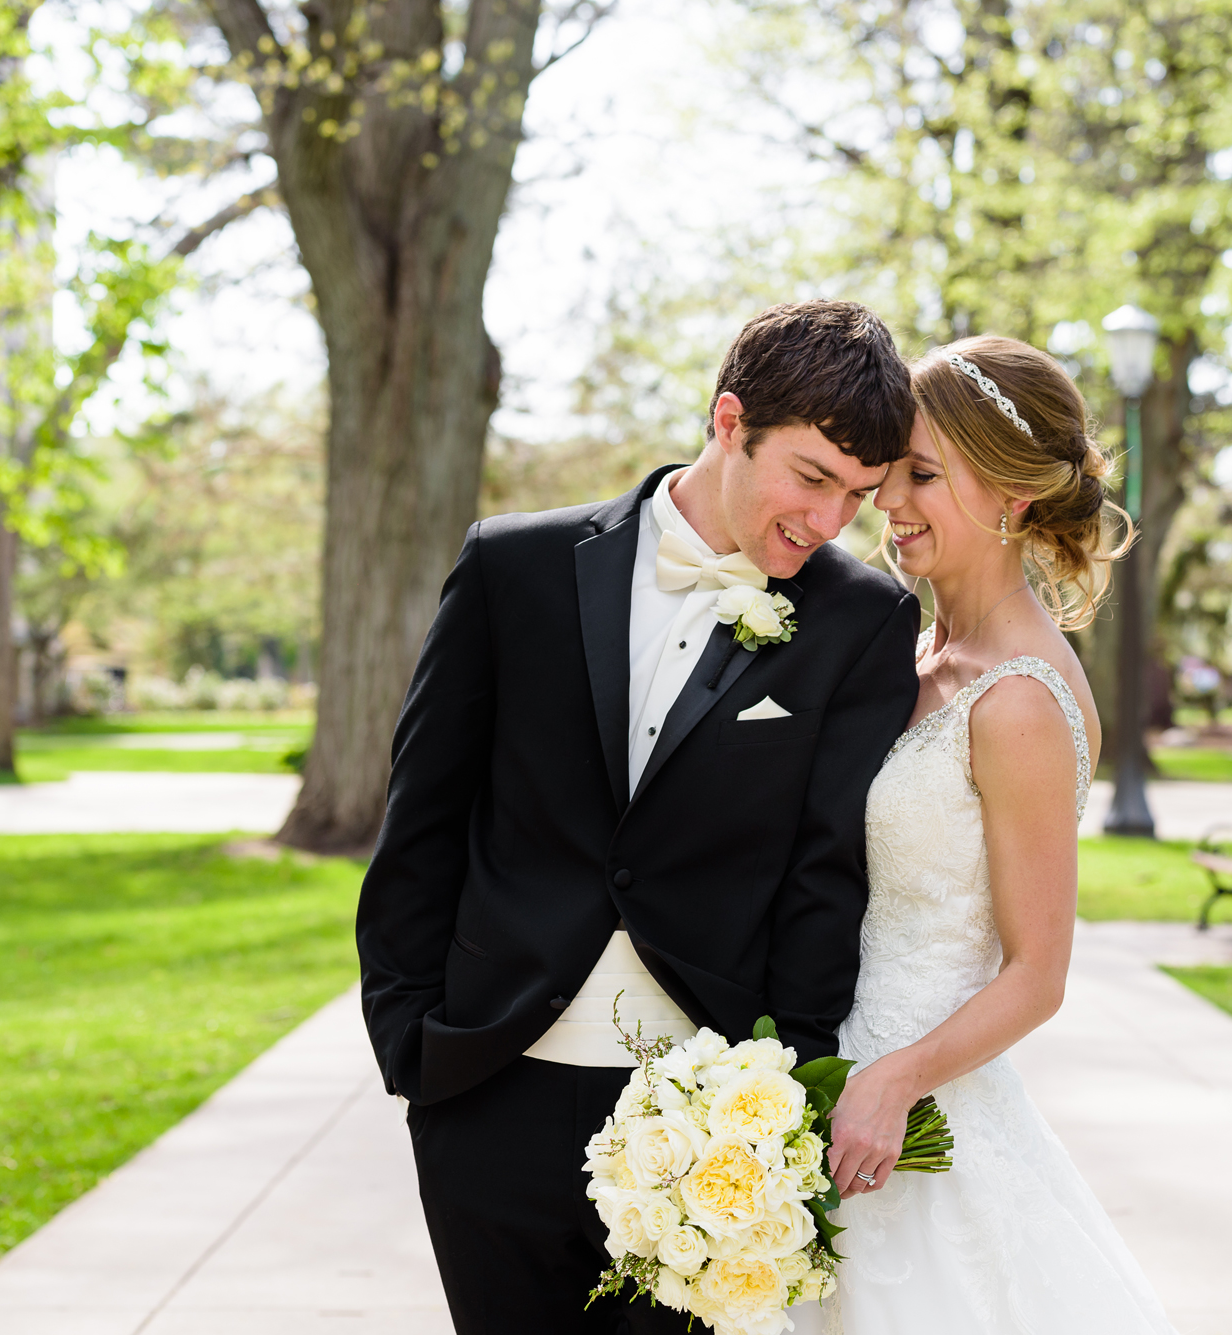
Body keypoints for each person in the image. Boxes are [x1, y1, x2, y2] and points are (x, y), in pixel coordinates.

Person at [357, 301, 923, 1334]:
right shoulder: (511, 568)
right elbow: (422, 817)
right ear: (726, 421)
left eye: (859, 495)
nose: (829, 521)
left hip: (713, 1127)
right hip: (489, 1088)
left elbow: (821, 872)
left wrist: (782, 1101)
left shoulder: (861, 620)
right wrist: (411, 1047)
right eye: (810, 477)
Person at [794, 335, 1179, 1334]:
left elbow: (1036, 972)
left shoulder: (1016, 703)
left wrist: (892, 1084)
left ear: (1007, 492)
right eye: (889, 476)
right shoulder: (915, 654)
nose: (886, 502)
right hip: (828, 1083)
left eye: (919, 475)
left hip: (915, 1115)